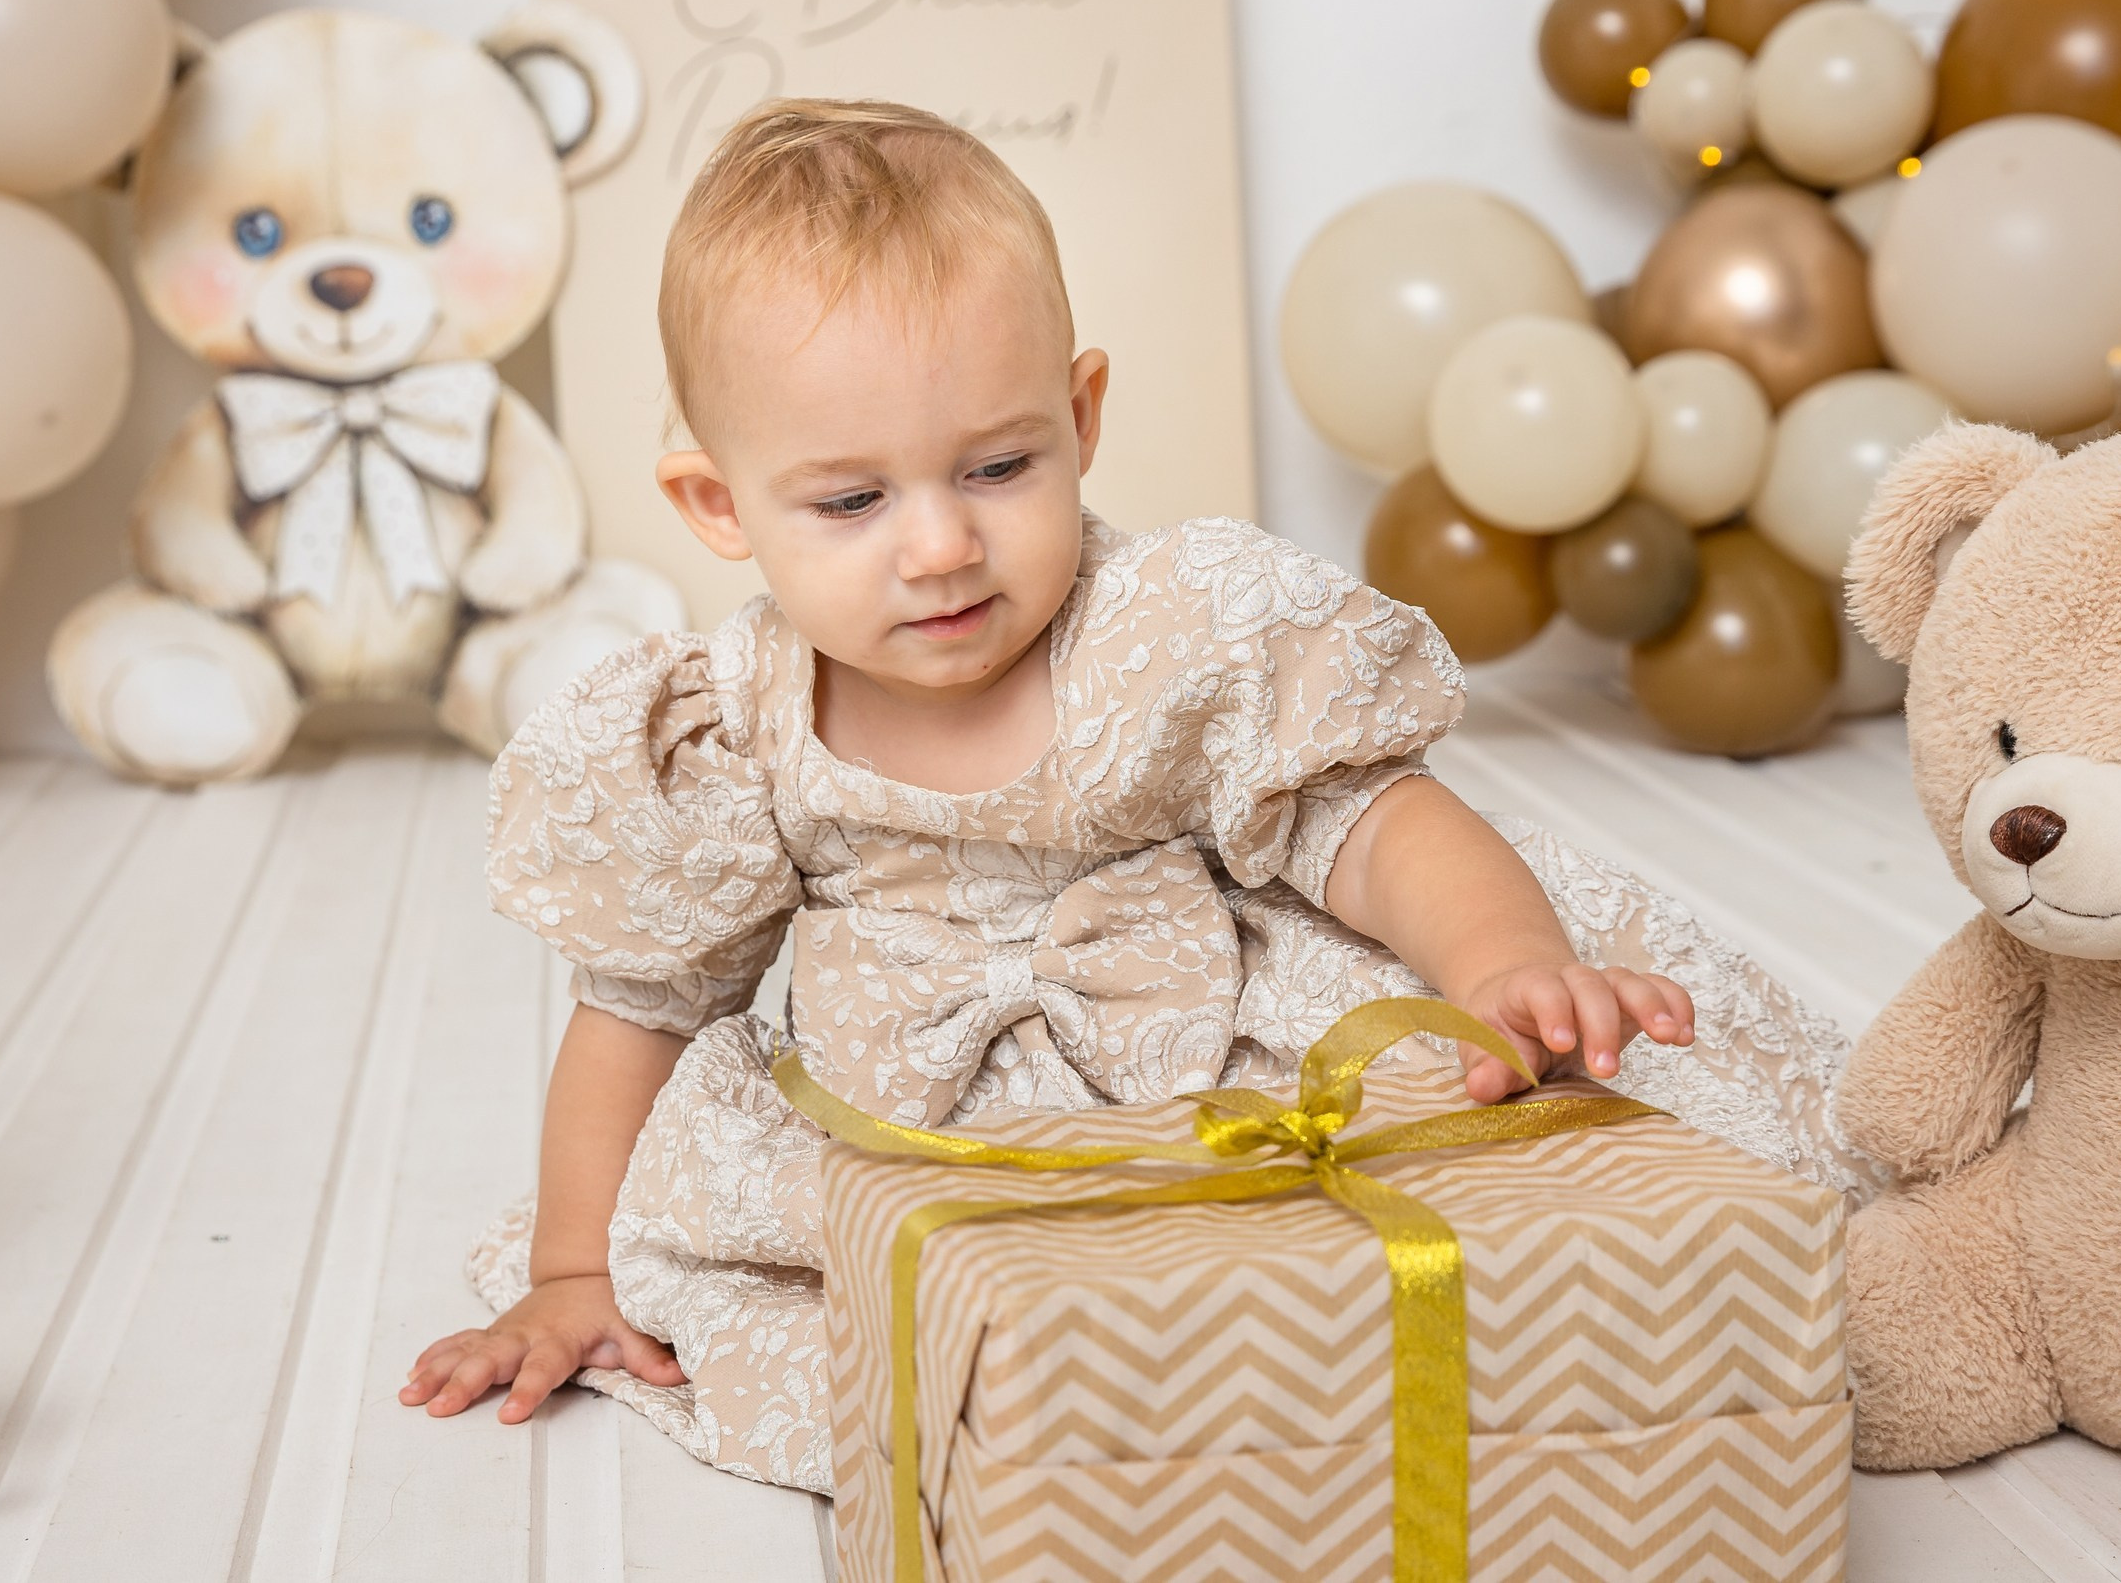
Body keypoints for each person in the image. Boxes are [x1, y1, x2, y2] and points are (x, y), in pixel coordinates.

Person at [402, 99, 1866, 1489]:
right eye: (852, 501)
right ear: (718, 504)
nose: (938, 548)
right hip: (924, 1142)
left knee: (1419, 1243)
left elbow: (1369, 820)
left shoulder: (1171, 634)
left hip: (1214, 1056)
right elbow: (636, 1013)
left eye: (995, 465)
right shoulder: (729, 731)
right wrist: (578, 1275)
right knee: (907, 1345)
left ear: (1081, 414)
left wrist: (1498, 962)